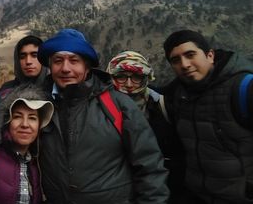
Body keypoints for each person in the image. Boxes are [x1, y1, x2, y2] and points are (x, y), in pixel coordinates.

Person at [36, 28, 168, 203]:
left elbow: (150, 166)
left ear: (87, 66)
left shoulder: (117, 104)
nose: (65, 68)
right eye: (58, 61)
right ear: (50, 66)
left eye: (74, 61)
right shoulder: (38, 104)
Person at [162, 29, 253, 203]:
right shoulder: (177, 94)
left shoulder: (244, 89)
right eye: (175, 60)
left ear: (210, 55)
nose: (185, 64)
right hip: (196, 195)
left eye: (190, 54)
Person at [107, 50, 185, 203]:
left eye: (136, 77)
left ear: (147, 77)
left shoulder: (164, 105)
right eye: (121, 76)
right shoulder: (101, 107)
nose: (129, 84)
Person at [0, 84, 53, 204]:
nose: (25, 124)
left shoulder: (37, 165)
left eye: (32, 118)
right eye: (17, 117)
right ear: (7, 121)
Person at [0, 35, 47, 140]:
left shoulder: (53, 91)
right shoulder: (5, 92)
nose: (28, 61)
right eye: (22, 56)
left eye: (34, 55)